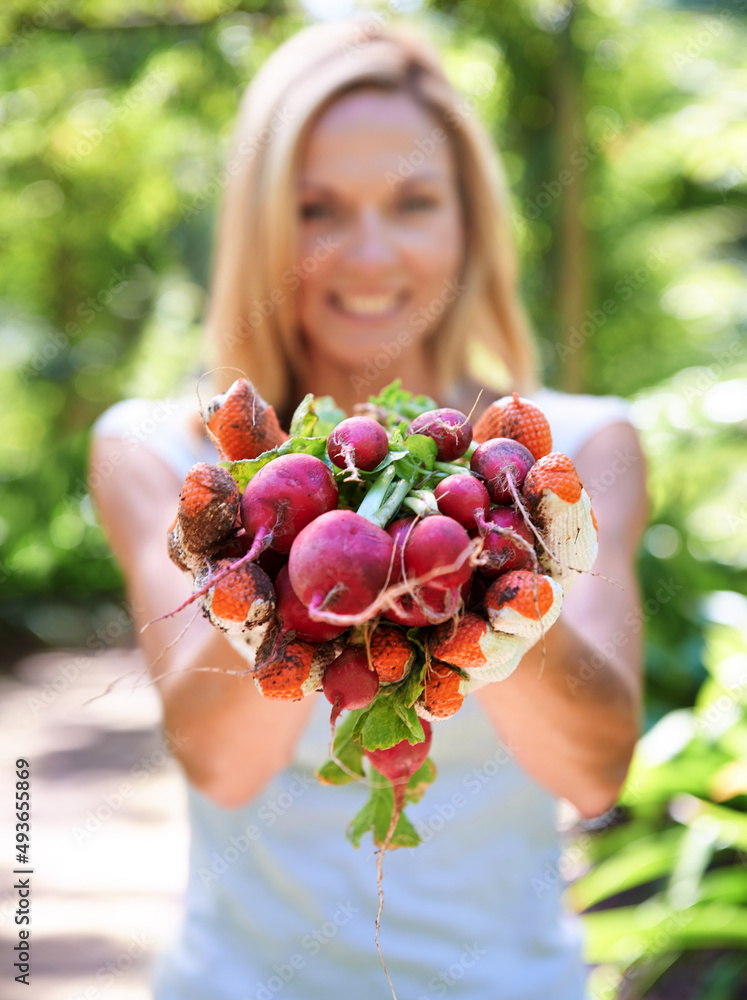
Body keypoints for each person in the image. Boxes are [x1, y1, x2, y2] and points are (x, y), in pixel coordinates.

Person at [90, 15, 648, 1000]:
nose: (370, 254)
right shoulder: (165, 452)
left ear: (469, 223)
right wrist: (261, 573)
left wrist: (511, 607)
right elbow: (219, 762)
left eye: (414, 201)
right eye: (317, 210)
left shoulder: (566, 450)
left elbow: (596, 772)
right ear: (260, 226)